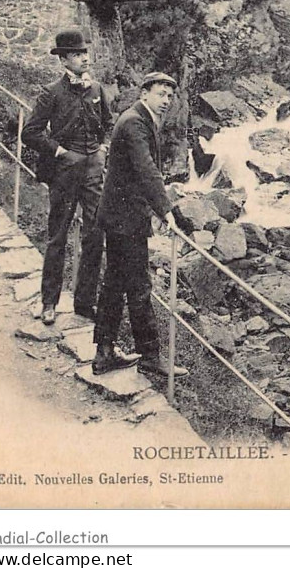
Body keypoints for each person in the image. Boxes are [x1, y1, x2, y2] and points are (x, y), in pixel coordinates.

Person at [93, 73, 196, 377]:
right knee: (138, 286)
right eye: (161, 94)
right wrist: (167, 212)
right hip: (125, 221)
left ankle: (104, 353)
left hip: (119, 216)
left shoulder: (137, 118)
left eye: (169, 96)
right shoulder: (135, 122)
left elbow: (143, 172)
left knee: (114, 283)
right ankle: (150, 355)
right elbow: (147, 170)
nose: (166, 101)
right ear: (145, 93)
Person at [23, 28, 112, 326]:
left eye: (85, 53)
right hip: (64, 173)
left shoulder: (97, 89)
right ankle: (49, 302)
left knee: (94, 235)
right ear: (63, 60)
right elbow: (30, 133)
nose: (83, 58)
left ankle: (84, 304)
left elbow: (108, 125)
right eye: (76, 54)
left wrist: (102, 149)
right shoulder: (52, 92)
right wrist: (59, 151)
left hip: (93, 172)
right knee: (58, 236)